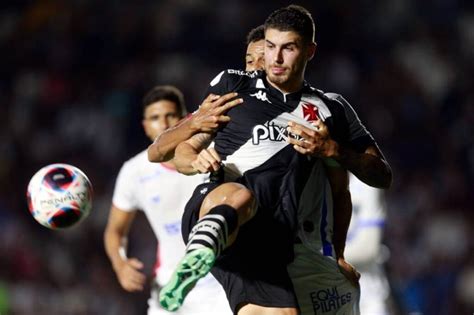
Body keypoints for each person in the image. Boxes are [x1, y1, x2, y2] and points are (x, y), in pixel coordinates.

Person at [156, 6, 391, 314]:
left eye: (288, 48)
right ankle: (198, 253)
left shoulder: (330, 110)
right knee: (240, 196)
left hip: (274, 244)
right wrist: (196, 158)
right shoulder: (233, 87)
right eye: (270, 47)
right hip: (223, 214)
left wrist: (334, 150)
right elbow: (182, 147)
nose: (275, 59)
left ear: (309, 51)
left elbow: (380, 176)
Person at [103, 85, 232, 315]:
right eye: (154, 118)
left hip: (220, 287)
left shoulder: (212, 155)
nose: (163, 124)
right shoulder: (134, 171)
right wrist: (120, 264)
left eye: (170, 115)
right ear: (145, 126)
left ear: (185, 119)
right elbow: (115, 230)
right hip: (169, 289)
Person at [344, 174, 391, 314]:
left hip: (366, 297)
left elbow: (367, 250)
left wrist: (320, 255)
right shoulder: (310, 183)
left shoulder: (366, 183)